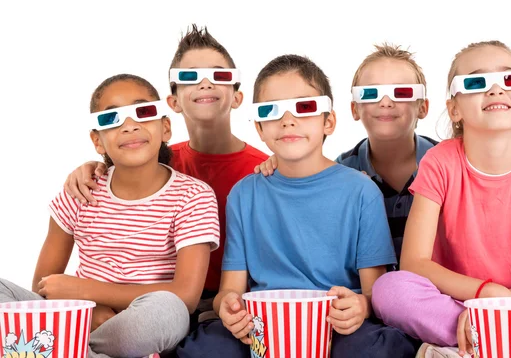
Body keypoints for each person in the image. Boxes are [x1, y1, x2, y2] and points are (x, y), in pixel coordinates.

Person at [178, 54, 418, 357]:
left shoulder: (361, 191)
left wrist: (361, 306)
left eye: (304, 108)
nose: (288, 120)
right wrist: (226, 306)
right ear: (260, 129)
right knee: (206, 348)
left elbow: (373, 292)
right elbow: (230, 289)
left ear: (328, 121)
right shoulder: (244, 194)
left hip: (335, 325)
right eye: (272, 111)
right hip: (263, 325)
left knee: (378, 348)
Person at [371, 41, 511, 357]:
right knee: (389, 290)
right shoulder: (439, 162)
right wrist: (484, 295)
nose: (495, 90)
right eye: (475, 83)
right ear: (454, 109)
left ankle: (479, 341)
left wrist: (506, 303)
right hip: (454, 300)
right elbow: (415, 262)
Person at [255, 43, 511, 262]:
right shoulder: (343, 171)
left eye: (402, 93)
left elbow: (492, 157)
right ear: (353, 108)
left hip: (443, 282)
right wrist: (282, 160)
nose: (386, 102)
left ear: (424, 107)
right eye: (371, 93)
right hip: (369, 290)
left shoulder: (445, 162)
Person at [0, 74, 220, 358]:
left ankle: (59, 349)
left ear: (165, 127)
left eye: (143, 112)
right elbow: (44, 286)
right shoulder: (80, 190)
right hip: (80, 317)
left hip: (140, 325)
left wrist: (87, 291)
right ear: (98, 141)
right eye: (112, 119)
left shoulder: (193, 195)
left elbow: (186, 296)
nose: (129, 126)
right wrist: (90, 311)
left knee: (168, 308)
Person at [61, 26, 268, 322]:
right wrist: (95, 167)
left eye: (219, 75)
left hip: (234, 304)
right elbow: (122, 176)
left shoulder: (264, 169)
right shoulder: (157, 163)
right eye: (189, 76)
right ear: (172, 102)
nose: (206, 83)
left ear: (237, 97)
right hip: (159, 300)